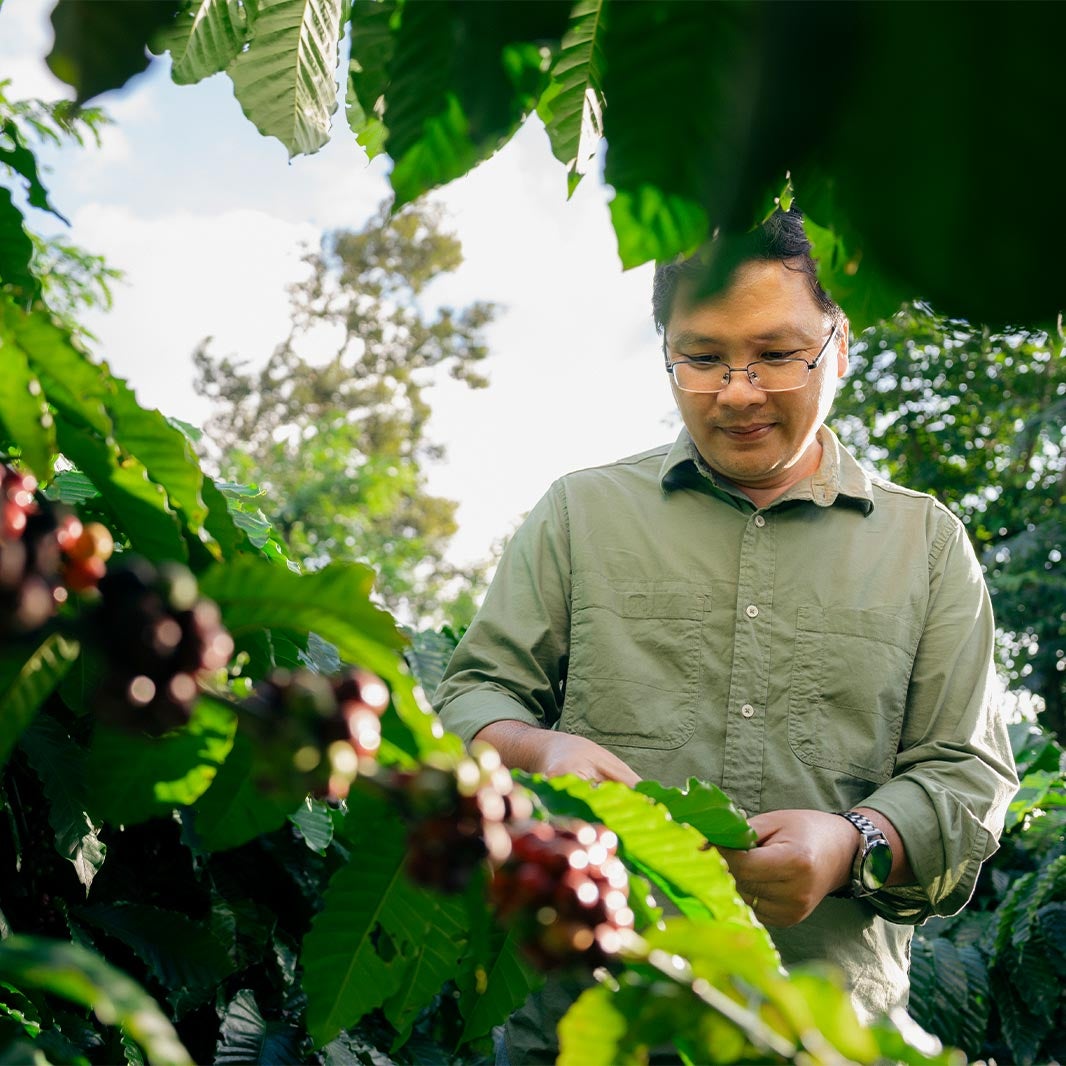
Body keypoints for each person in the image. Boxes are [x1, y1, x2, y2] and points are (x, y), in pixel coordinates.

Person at [434, 208, 1018, 1060]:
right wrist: (537, 749)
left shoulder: (926, 547)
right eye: (702, 358)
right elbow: (471, 697)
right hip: (587, 1024)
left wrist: (851, 845)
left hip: (823, 1036)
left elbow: (967, 775)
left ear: (839, 348)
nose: (737, 393)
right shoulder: (579, 514)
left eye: (776, 355)